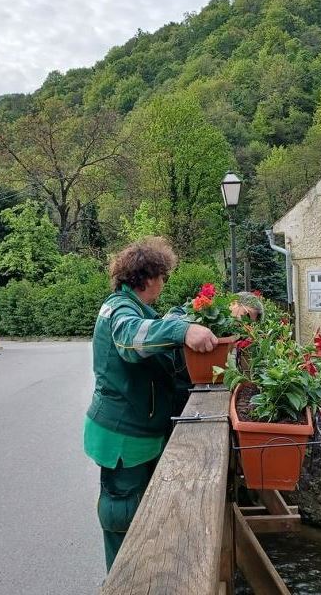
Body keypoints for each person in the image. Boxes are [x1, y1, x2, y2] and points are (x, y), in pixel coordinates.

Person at [83, 237, 217, 573]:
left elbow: (160, 322)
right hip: (123, 434)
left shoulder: (135, 307)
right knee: (122, 510)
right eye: (163, 276)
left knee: (140, 508)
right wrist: (182, 330)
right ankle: (121, 580)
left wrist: (189, 317)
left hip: (138, 430)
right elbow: (132, 340)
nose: (163, 283)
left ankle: (139, 573)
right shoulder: (119, 310)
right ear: (148, 278)